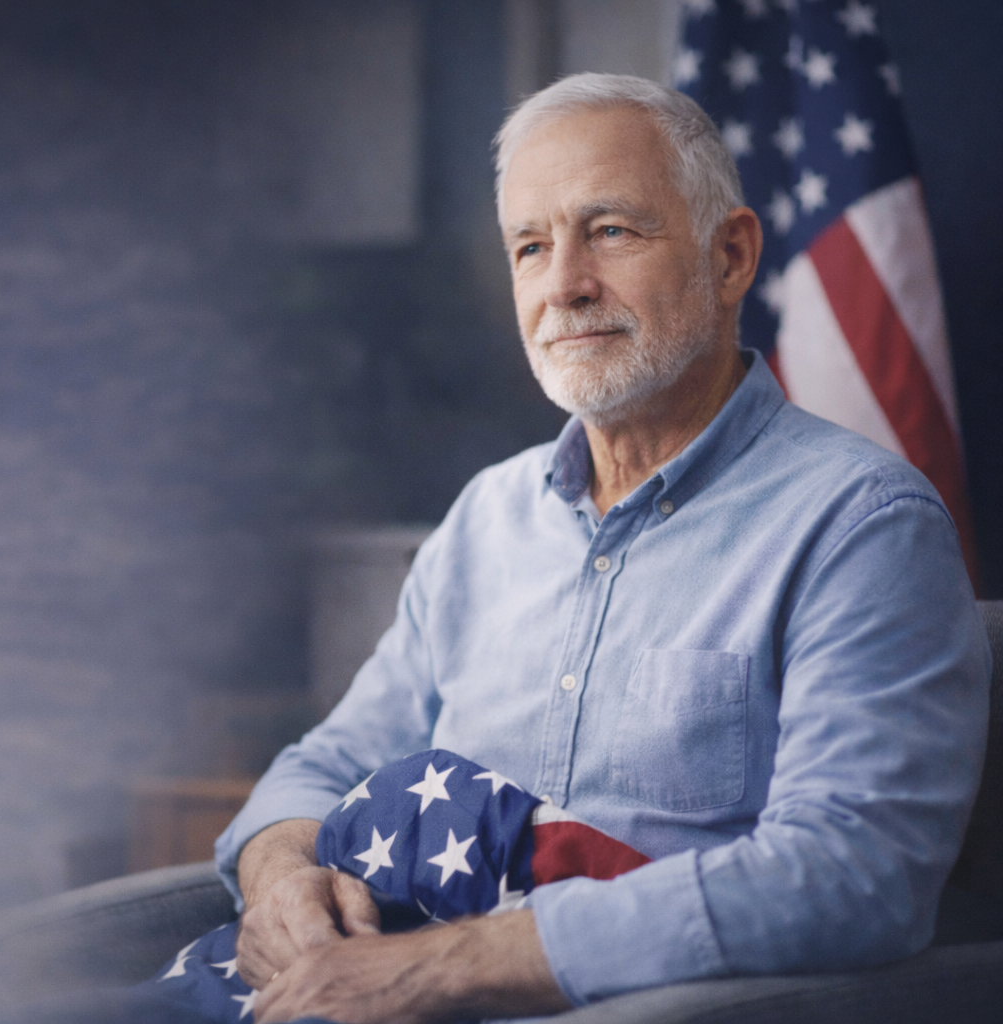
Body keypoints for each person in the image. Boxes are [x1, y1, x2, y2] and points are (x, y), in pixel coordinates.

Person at [213, 73, 990, 1024]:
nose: (565, 285)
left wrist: (455, 963)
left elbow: (852, 874)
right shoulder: (485, 521)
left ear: (731, 255)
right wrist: (280, 871)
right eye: (531, 247)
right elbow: (325, 762)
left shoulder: (863, 525)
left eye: (611, 231)